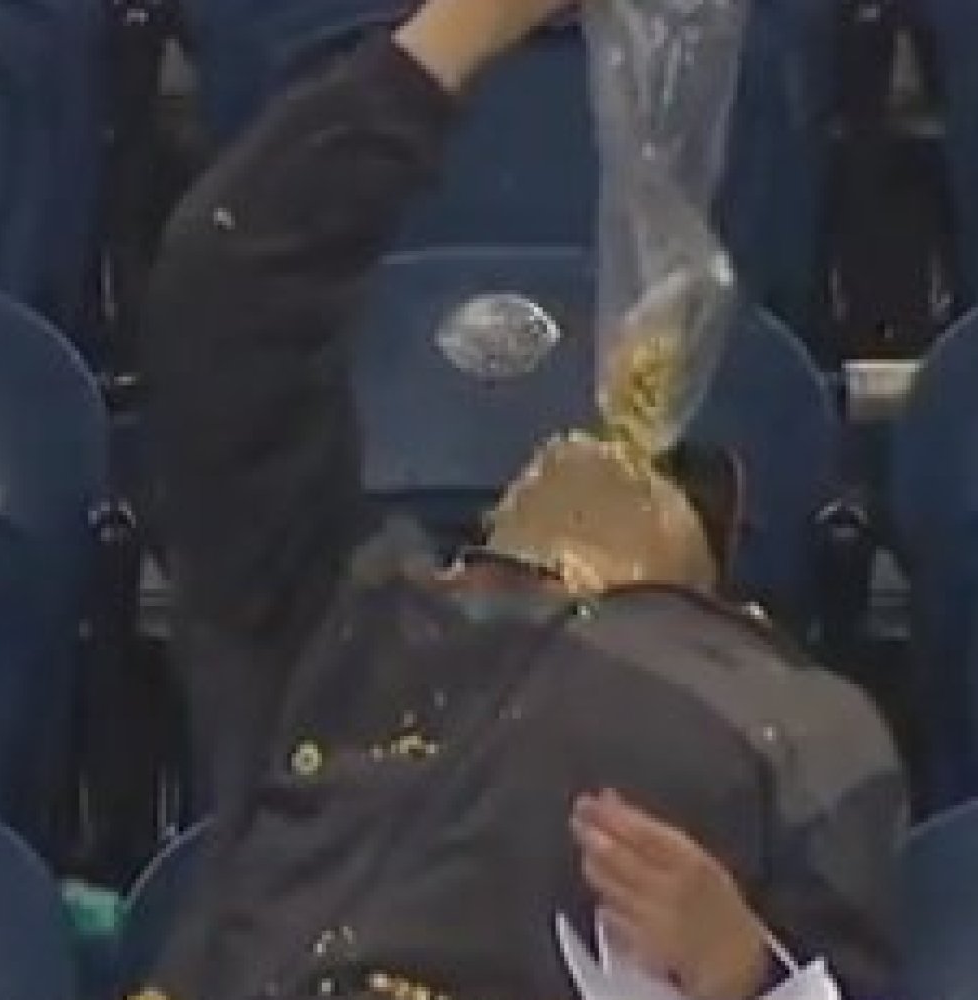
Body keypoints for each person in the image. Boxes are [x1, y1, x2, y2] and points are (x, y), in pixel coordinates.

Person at [138, 0, 907, 997]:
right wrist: (462, 31)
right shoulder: (339, 612)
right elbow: (228, 285)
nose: (584, 445)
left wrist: (743, 971)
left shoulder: (797, 722)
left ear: (730, 574)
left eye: (682, 475)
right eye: (534, 457)